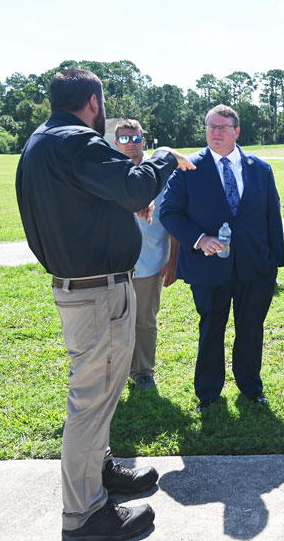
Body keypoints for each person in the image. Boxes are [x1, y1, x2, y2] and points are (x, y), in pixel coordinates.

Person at [16, 68, 194, 540]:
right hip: (97, 292)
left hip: (82, 287)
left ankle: (100, 469)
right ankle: (84, 514)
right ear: (94, 102)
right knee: (91, 403)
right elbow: (135, 187)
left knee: (100, 396)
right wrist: (163, 156)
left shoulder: (39, 142)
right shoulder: (76, 140)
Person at [161, 104, 284, 412]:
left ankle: (251, 386)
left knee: (251, 328)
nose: (215, 132)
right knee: (211, 329)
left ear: (236, 131)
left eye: (222, 127)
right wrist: (200, 239)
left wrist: (274, 262)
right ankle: (208, 393)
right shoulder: (188, 167)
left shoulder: (260, 169)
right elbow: (169, 213)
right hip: (207, 267)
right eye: (211, 127)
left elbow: (272, 217)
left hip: (255, 266)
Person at [113, 119, 179, 392]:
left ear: (144, 139)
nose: (131, 144)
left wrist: (173, 261)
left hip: (151, 260)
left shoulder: (161, 171)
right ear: (116, 142)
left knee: (144, 321)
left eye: (136, 138)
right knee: (115, 322)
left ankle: (142, 371)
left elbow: (174, 218)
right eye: (124, 139)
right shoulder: (109, 171)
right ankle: (117, 371)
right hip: (114, 263)